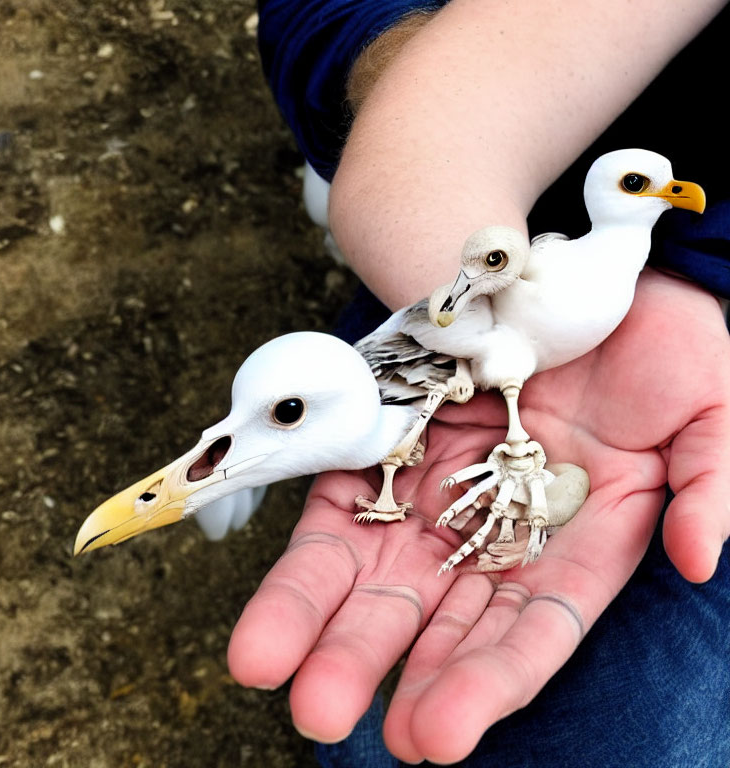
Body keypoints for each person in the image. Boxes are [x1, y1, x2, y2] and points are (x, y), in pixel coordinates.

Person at [228, 2, 730, 765]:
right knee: (409, 723)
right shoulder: (526, 275)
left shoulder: (615, 263)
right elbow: (318, 16)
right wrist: (425, 135)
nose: (668, 192)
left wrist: (706, 268)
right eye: (643, 185)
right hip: (479, 243)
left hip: (621, 317)